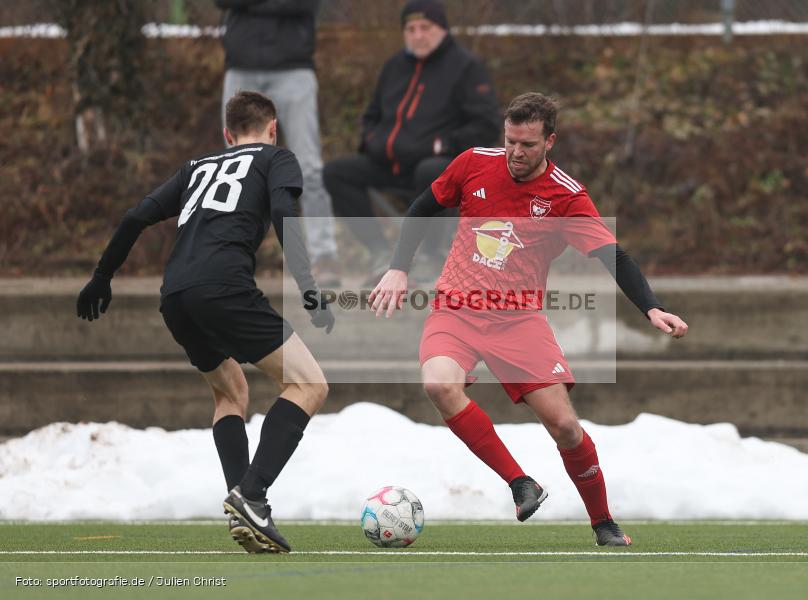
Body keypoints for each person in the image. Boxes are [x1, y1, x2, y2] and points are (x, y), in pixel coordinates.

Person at [370, 92, 688, 546]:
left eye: (527, 145)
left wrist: (651, 307)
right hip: (456, 309)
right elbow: (422, 208)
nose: (516, 153)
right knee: (439, 385)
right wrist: (398, 267)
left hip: (518, 321)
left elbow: (613, 256)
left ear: (550, 142)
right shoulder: (473, 163)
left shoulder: (566, 196)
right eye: (510, 141)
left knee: (565, 427)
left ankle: (603, 523)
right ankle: (521, 483)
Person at [76, 91, 334, 554]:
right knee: (309, 385)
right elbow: (282, 212)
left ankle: (247, 510)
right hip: (224, 289)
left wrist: (102, 276)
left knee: (230, 392)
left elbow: (136, 216)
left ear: (226, 135)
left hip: (175, 295)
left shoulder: (197, 167)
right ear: (273, 128)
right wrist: (307, 284)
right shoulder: (277, 158)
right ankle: (251, 496)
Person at [323, 0, 502, 275]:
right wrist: (371, 141)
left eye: (425, 27)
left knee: (432, 172)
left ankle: (431, 255)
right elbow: (372, 114)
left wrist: (443, 145)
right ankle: (380, 252)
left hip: (436, 166)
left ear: (442, 28)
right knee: (336, 172)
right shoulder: (394, 65)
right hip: (388, 164)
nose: (418, 35)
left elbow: (487, 125)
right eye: (411, 28)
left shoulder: (466, 66)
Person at [216, 0, 339, 286]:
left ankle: (325, 255)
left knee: (308, 167)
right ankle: (229, 256)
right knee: (235, 169)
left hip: (293, 68)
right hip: (241, 67)